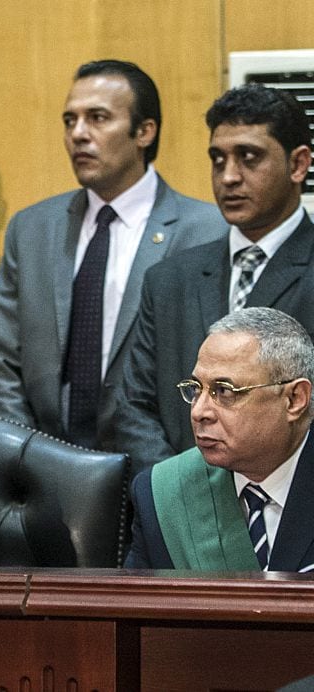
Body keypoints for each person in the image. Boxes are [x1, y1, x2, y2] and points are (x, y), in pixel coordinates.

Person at [0, 60, 223, 451]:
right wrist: (24, 456)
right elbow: (3, 360)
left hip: (161, 470)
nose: (78, 134)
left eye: (97, 118)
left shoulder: (206, 231)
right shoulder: (31, 229)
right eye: (69, 120)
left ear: (145, 131)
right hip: (42, 474)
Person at [117, 84, 314, 475]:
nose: (228, 177)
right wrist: (184, 493)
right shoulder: (169, 279)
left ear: (298, 164)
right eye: (217, 158)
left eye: (248, 158)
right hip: (180, 512)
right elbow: (134, 408)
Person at [125, 307, 314, 571]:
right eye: (195, 389)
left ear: (295, 399)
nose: (199, 411)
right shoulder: (160, 495)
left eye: (224, 391)